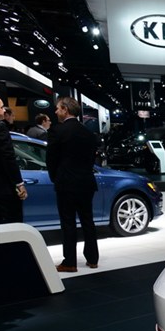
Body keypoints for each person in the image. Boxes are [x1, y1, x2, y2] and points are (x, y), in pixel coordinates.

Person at [47, 96, 99, 273]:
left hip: (66, 183)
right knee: (87, 220)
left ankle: (70, 262)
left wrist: (55, 177)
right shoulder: (88, 133)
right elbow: (91, 160)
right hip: (86, 182)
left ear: (65, 110)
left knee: (68, 222)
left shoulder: (57, 131)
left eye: (58, 108)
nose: (56, 111)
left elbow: (51, 159)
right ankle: (92, 259)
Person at [0, 95, 28, 223]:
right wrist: (19, 184)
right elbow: (8, 157)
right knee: (11, 225)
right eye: (1, 107)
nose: (4, 110)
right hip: (2, 189)